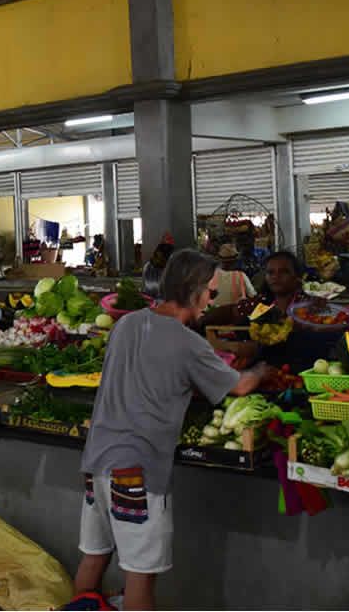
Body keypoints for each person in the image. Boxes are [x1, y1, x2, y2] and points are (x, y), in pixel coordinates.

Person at [68, 250, 263, 611]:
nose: (211, 301)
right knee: (140, 574)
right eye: (211, 292)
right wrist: (264, 367)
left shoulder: (125, 324)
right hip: (136, 474)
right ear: (193, 290)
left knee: (94, 557)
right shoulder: (187, 342)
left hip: (97, 463)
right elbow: (239, 386)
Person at [210, 244, 256, 308]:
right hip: (234, 315)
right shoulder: (241, 276)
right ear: (235, 261)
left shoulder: (210, 275)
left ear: (219, 259)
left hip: (213, 315)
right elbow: (253, 295)